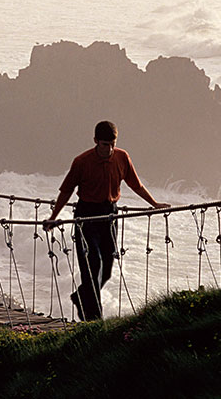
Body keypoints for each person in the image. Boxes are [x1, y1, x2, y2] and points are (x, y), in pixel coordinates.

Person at [43, 120, 169, 321]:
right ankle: (94, 320)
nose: (109, 148)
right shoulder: (82, 161)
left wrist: (154, 204)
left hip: (110, 215)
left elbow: (135, 185)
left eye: (113, 143)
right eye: (104, 144)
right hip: (86, 216)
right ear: (95, 141)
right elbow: (66, 190)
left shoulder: (122, 157)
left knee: (108, 268)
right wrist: (53, 218)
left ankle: (80, 296)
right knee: (93, 264)